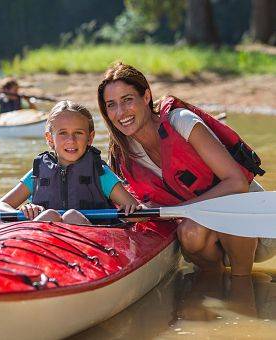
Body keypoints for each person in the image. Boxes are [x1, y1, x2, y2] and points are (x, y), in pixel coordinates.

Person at [97, 62, 269, 276]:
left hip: (257, 228)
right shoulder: (123, 153)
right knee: (189, 232)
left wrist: (185, 210)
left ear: (146, 96)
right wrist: (138, 211)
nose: (120, 112)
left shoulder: (181, 121)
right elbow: (144, 202)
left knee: (207, 220)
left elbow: (237, 183)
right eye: (111, 104)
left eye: (127, 100)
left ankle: (242, 286)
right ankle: (216, 286)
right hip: (202, 232)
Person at [0, 100, 141, 224]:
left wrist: (131, 210)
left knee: (72, 216)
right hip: (45, 241)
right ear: (50, 139)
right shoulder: (37, 173)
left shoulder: (100, 173)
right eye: (63, 133)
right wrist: (23, 212)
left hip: (91, 244)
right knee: (49, 216)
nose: (71, 140)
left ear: (90, 138)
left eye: (78, 133)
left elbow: (137, 210)